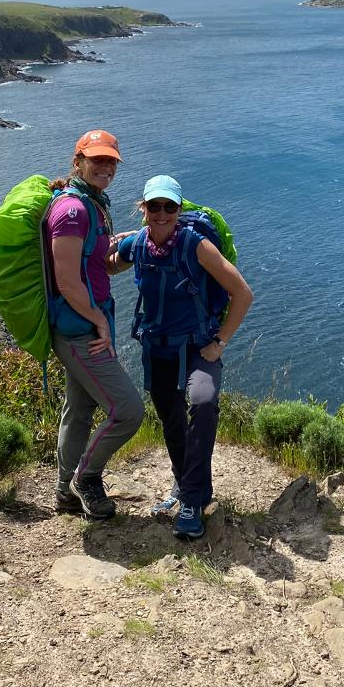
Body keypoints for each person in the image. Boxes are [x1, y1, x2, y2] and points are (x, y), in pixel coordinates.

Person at [112, 175, 254, 539]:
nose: (161, 214)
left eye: (169, 207)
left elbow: (242, 293)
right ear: (143, 208)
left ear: (179, 209)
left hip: (197, 346)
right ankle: (186, 485)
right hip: (156, 347)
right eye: (154, 206)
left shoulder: (197, 245)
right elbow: (107, 263)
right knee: (171, 419)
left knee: (203, 402)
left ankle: (192, 500)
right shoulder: (137, 244)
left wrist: (220, 342)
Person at [45, 129, 144, 520]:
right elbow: (67, 280)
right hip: (78, 328)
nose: (105, 166)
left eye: (110, 161)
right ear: (78, 162)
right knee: (128, 411)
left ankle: (64, 493)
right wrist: (99, 320)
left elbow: (98, 268)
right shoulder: (73, 211)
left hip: (82, 321)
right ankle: (85, 479)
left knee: (79, 409)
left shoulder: (93, 204)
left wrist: (129, 251)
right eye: (96, 159)